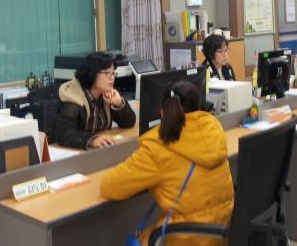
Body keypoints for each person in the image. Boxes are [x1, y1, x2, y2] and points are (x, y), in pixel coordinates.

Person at [100, 81, 234, 246]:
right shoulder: (214, 130)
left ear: (163, 111)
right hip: (224, 233)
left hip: (186, 239)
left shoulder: (158, 145)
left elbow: (109, 187)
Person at [53, 52, 136, 149]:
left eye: (113, 73)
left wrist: (118, 103)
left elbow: (129, 123)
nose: (112, 77)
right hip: (75, 152)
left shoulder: (105, 94)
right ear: (92, 73)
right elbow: (64, 133)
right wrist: (92, 140)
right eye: (107, 73)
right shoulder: (73, 98)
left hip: (101, 149)